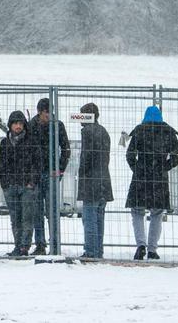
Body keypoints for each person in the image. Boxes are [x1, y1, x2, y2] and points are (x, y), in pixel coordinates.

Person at [126, 105, 178, 260]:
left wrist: (137, 168)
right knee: (156, 213)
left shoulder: (139, 130)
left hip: (141, 177)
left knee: (137, 211)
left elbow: (130, 154)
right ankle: (152, 249)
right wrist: (163, 168)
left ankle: (140, 245)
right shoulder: (169, 132)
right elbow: (175, 158)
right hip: (159, 179)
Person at [27, 98, 70, 255]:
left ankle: (54, 244)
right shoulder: (31, 126)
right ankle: (40, 244)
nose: (49, 116)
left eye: (50, 112)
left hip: (51, 174)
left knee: (52, 211)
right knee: (37, 212)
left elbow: (65, 148)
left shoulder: (57, 125)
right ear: (39, 112)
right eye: (46, 113)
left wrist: (60, 169)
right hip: (35, 175)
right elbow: (27, 152)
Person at [0, 111, 40, 257]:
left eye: (21, 123)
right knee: (15, 218)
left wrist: (32, 182)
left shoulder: (31, 141)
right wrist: (4, 184)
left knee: (27, 217)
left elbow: (37, 163)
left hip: (26, 186)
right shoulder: (5, 143)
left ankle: (24, 247)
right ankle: (17, 245)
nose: (18, 126)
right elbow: (2, 165)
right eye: (15, 123)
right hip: (11, 186)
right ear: (10, 125)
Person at [77, 103, 112, 259]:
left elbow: (86, 157)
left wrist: (82, 173)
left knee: (89, 218)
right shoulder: (103, 131)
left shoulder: (87, 132)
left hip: (91, 180)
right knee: (99, 218)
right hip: (103, 178)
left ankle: (91, 251)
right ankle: (98, 250)